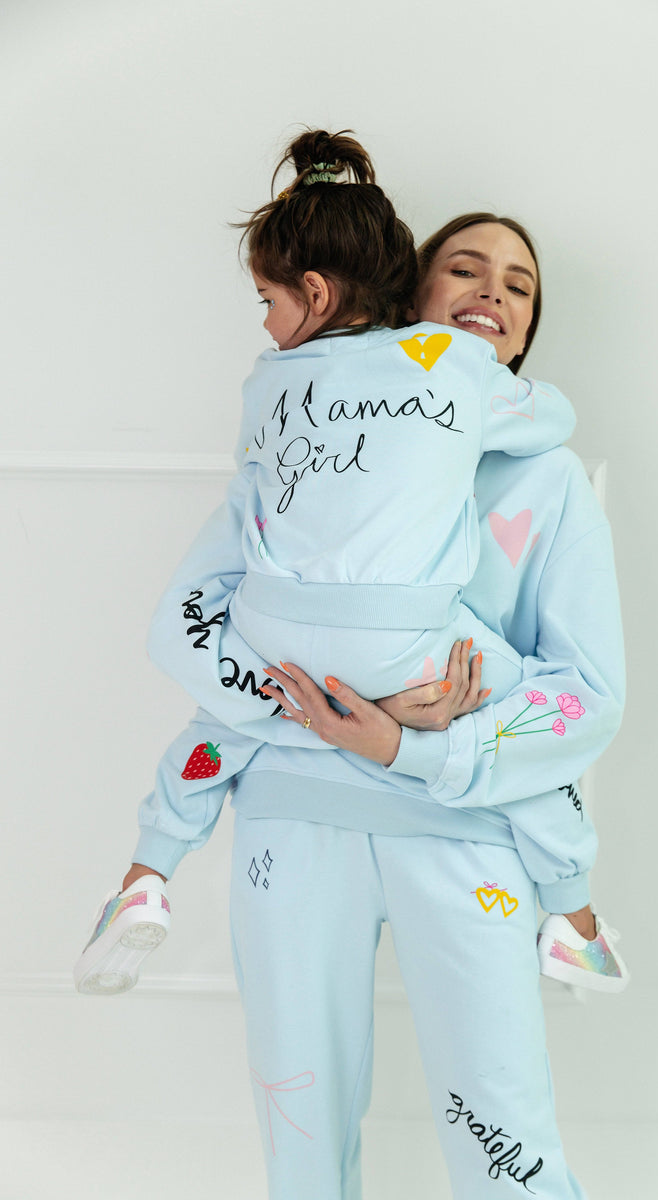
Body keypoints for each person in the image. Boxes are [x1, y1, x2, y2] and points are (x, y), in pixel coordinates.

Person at [76, 142, 625, 1196]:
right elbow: (195, 623)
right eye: (466, 267)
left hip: (464, 832)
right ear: (408, 295)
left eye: (519, 285)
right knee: (301, 1123)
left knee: (502, 1130)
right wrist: (318, 715)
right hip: (293, 824)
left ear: (525, 331)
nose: (493, 292)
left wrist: (410, 746)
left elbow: (584, 696)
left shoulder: (549, 483)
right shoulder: (294, 446)